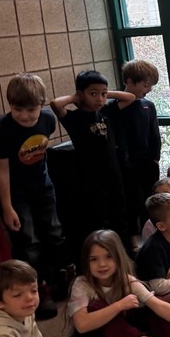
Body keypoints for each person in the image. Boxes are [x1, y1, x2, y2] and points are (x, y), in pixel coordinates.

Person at [0, 73, 67, 318]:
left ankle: (57, 277)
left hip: (43, 186)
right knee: (28, 241)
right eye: (17, 108)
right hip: (15, 193)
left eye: (30, 109)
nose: (24, 115)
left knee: (54, 233)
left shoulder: (47, 119)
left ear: (42, 104)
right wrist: (7, 206)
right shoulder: (1, 129)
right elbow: (1, 170)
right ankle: (37, 286)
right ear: (9, 105)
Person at [50, 69, 133, 251]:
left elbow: (130, 97)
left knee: (120, 214)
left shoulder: (106, 112)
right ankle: (104, 253)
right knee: (99, 218)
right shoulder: (75, 118)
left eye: (103, 94)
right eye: (93, 94)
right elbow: (56, 104)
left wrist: (104, 92)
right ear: (81, 94)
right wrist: (76, 97)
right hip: (92, 179)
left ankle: (124, 254)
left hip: (114, 175)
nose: (100, 99)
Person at [111, 60, 162, 251]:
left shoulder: (147, 106)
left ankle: (154, 234)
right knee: (131, 202)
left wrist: (155, 157)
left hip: (148, 162)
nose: (148, 90)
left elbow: (154, 134)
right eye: (146, 85)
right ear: (130, 81)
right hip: (127, 163)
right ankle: (132, 240)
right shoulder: (117, 107)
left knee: (151, 200)